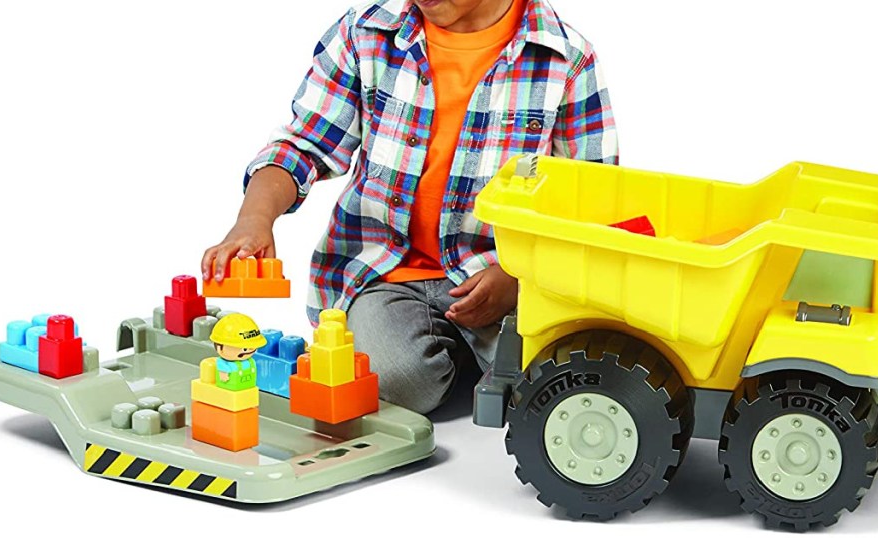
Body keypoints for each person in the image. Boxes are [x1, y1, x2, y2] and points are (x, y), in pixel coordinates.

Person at [201, 0, 618, 414]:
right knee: (394, 381)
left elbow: (588, 206)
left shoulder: (566, 58)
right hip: (385, 273)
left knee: (568, 382)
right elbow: (304, 144)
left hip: (507, 280)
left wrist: (516, 275)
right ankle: (454, 357)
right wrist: (254, 218)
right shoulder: (364, 33)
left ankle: (477, 353)